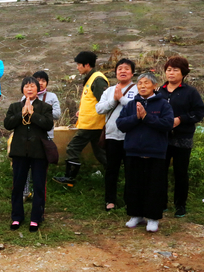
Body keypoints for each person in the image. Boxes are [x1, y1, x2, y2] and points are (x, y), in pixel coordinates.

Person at [117, 73, 174, 232]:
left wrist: (147, 117)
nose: (142, 86)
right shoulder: (130, 104)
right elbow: (121, 124)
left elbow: (167, 124)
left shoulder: (163, 105)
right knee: (134, 185)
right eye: (140, 83)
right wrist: (136, 117)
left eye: (146, 83)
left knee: (154, 186)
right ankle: (136, 215)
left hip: (155, 152)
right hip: (133, 151)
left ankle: (153, 218)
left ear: (154, 86)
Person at [157, 56, 204, 217]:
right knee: (160, 171)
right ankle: (161, 202)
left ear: (183, 73)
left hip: (182, 137)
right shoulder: (160, 91)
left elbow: (199, 112)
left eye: (175, 70)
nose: (171, 73)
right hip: (162, 138)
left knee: (180, 172)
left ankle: (180, 205)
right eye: (169, 70)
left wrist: (181, 119)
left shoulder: (190, 92)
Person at [4, 77, 54, 233]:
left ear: (38, 89)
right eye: (26, 86)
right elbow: (7, 124)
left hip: (38, 152)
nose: (29, 89)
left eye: (32, 86)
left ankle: (36, 218)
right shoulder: (14, 106)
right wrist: (22, 113)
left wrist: (33, 114)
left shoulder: (45, 107)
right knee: (18, 185)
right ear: (22, 89)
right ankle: (17, 217)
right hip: (19, 151)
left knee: (38, 185)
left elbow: (48, 124)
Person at [53, 51, 109, 186]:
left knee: (73, 147)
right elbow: (92, 101)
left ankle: (70, 177)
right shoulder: (91, 78)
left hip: (92, 124)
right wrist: (82, 111)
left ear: (87, 65)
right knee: (100, 152)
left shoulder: (97, 79)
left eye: (79, 64)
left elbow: (105, 102)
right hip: (91, 123)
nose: (77, 67)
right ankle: (113, 174)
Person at [95, 59, 138, 211]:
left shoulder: (138, 89)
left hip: (131, 137)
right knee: (111, 170)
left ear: (132, 73)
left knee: (131, 170)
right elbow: (99, 109)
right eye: (120, 69)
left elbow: (138, 107)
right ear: (116, 72)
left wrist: (122, 99)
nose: (123, 71)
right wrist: (114, 100)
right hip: (112, 136)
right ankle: (110, 200)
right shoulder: (108, 91)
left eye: (126, 69)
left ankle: (130, 200)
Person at [21, 71, 62, 201]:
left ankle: (38, 193)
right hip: (28, 138)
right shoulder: (24, 98)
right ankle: (25, 192)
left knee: (40, 168)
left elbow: (57, 114)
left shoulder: (52, 96)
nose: (40, 83)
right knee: (26, 166)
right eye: (37, 80)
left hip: (45, 137)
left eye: (43, 80)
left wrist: (43, 110)